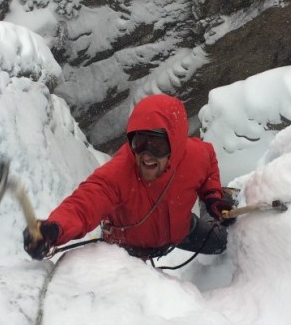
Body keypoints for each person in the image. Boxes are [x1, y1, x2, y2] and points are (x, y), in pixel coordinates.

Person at [23, 94, 235, 260]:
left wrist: (213, 196)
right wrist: (53, 230)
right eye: (139, 143)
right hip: (128, 251)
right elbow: (85, 203)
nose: (146, 155)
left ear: (176, 144)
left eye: (158, 145)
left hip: (180, 229)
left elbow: (209, 164)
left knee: (222, 244)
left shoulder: (195, 155)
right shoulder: (119, 173)